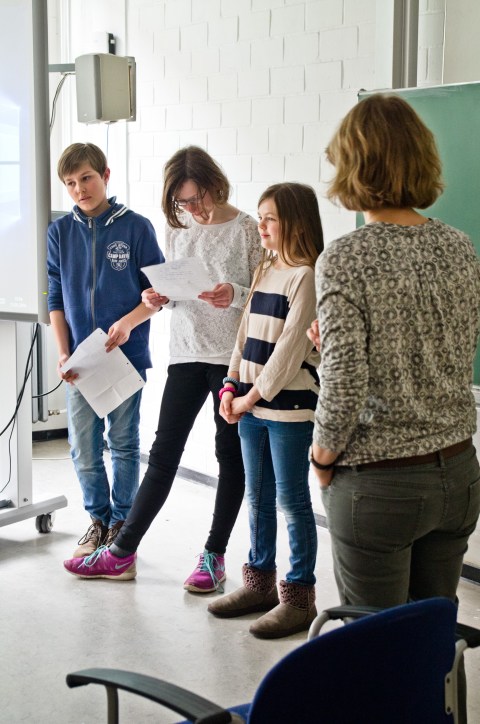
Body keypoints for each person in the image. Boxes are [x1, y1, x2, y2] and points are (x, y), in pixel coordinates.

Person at [309, 94, 480, 722]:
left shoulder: (346, 256)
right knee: (431, 643)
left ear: (354, 166)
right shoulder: (460, 246)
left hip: (379, 484)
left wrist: (322, 456)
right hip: (458, 473)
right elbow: (453, 344)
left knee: (374, 656)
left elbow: (346, 380)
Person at [63, 145, 262, 590]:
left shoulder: (247, 229)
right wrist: (155, 299)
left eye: (197, 199)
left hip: (231, 359)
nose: (192, 209)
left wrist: (235, 293)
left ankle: (213, 556)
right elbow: (173, 293)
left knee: (229, 458)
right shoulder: (179, 229)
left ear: (215, 185)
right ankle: (120, 553)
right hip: (185, 353)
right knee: (163, 455)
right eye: (182, 202)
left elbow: (264, 296)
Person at [207, 182, 323, 639]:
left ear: (296, 222)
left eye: (270, 218)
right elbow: (243, 337)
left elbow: (290, 353)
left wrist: (249, 398)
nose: (262, 226)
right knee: (257, 497)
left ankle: (299, 598)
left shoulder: (306, 275)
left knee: (292, 501)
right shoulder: (266, 268)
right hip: (249, 404)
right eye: (260, 217)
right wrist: (229, 386)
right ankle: (259, 585)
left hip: (287, 408)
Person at [48, 142, 164, 558]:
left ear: (106, 176)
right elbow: (55, 297)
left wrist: (129, 322)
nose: (79, 189)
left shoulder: (136, 227)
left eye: (86, 178)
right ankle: (97, 520)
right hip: (81, 362)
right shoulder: (59, 232)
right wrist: (63, 353)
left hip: (125, 360)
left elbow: (158, 293)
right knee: (83, 446)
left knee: (123, 443)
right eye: (70, 183)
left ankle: (121, 524)